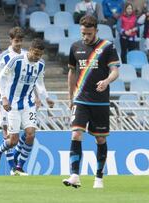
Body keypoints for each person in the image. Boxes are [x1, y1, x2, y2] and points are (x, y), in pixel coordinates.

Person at [62, 15, 120, 189]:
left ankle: (99, 177)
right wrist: (70, 97)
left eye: (88, 33)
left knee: (100, 139)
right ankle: (74, 175)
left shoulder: (107, 47)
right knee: (76, 134)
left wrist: (106, 81)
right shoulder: (75, 47)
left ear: (96, 30)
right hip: (81, 100)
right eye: (83, 33)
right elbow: (72, 73)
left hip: (100, 102)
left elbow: (115, 71)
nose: (85, 37)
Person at [0, 38, 46, 176]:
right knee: (13, 141)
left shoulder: (40, 65)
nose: (37, 57)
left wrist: (46, 97)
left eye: (40, 55)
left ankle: (19, 166)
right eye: (36, 54)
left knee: (31, 134)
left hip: (28, 104)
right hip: (12, 105)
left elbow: (39, 83)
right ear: (31, 50)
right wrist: (3, 97)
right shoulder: (17, 61)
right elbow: (0, 78)